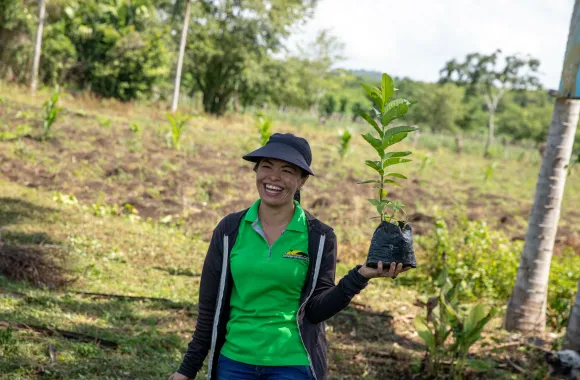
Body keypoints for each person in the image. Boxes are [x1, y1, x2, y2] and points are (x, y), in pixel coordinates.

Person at [168, 133, 409, 380]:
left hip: (292, 365)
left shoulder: (319, 236)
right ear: (256, 171)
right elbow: (210, 306)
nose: (274, 177)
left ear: (302, 180)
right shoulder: (230, 229)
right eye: (266, 167)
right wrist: (187, 369)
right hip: (234, 362)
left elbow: (316, 311)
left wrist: (359, 277)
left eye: (287, 170)